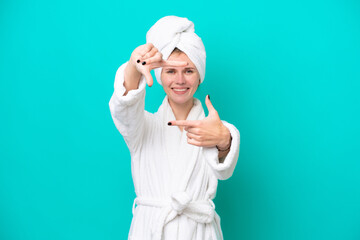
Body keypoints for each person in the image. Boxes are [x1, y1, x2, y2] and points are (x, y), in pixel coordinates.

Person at [109, 16, 240, 240]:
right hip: (151, 230)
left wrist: (224, 139)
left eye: (189, 71)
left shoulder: (212, 129)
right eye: (170, 71)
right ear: (159, 76)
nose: (180, 80)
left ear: (199, 76)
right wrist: (133, 67)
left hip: (199, 232)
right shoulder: (142, 128)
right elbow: (124, 108)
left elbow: (224, 171)